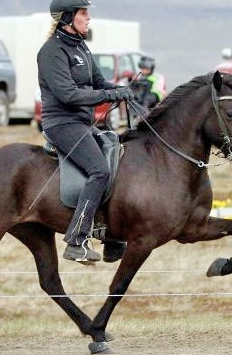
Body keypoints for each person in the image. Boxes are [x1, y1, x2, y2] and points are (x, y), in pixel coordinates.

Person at [37, 0, 133, 264]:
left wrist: (122, 90)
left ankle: (111, 237)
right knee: (99, 170)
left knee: (118, 156)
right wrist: (107, 94)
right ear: (68, 17)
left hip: (82, 123)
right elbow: (68, 94)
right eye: (83, 13)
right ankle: (76, 240)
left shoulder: (81, 46)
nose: (88, 18)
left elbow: (100, 83)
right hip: (62, 124)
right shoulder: (51, 52)